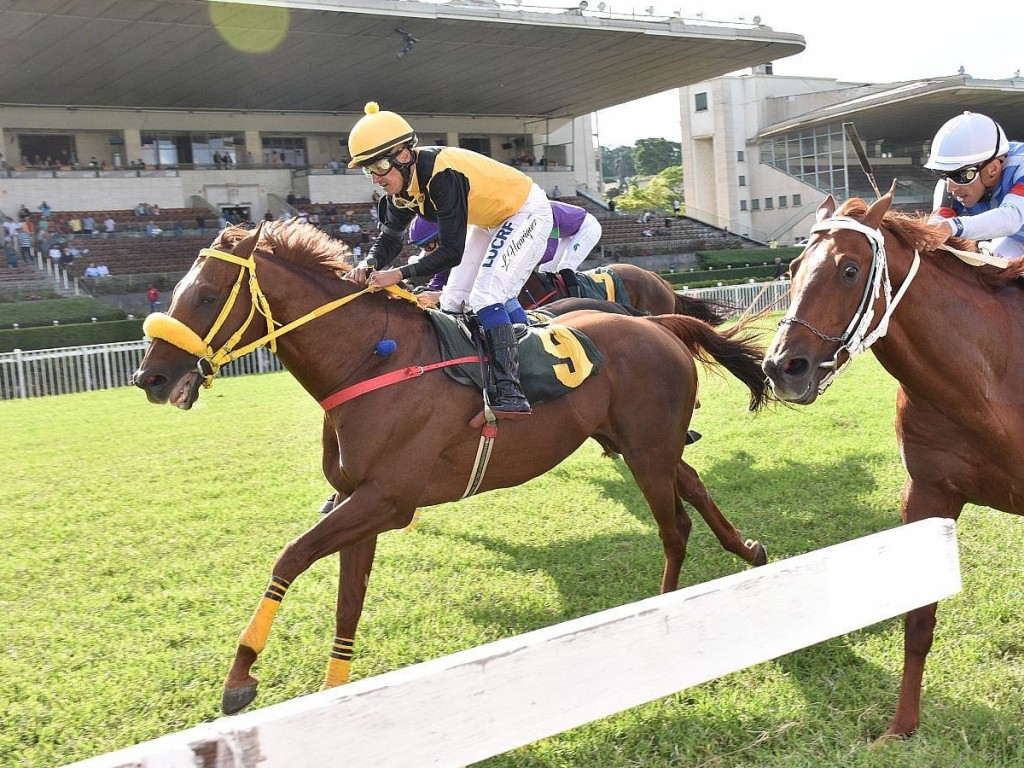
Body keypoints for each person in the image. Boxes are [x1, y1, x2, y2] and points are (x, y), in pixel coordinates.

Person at [345, 101, 553, 418]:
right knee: (453, 300)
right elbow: (388, 239)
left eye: (377, 167)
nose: (374, 178)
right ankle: (467, 377)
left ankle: (511, 389)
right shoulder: (398, 191)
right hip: (491, 221)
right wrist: (368, 264)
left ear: (403, 155)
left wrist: (398, 275)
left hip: (526, 212)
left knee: (485, 296)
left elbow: (451, 253)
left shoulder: (443, 175)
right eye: (367, 169)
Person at [919, 112, 1024, 258]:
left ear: (992, 168)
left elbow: (1012, 218)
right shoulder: (949, 186)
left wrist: (953, 226)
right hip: (1017, 239)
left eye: (960, 176)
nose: (951, 187)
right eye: (944, 175)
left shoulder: (1021, 165)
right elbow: (937, 226)